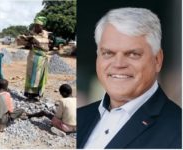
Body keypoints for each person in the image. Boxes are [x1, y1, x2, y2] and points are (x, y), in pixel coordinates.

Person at [77, 7, 182, 148]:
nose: (118, 64)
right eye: (108, 53)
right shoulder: (81, 117)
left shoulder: (176, 130)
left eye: (133, 54)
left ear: (157, 60)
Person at [24, 16, 50, 100]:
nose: (36, 27)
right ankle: (29, 93)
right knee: (30, 74)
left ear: (42, 26)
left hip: (41, 57)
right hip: (32, 56)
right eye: (35, 25)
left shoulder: (45, 33)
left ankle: (37, 94)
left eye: (38, 25)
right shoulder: (31, 33)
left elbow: (44, 43)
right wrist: (27, 42)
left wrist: (36, 41)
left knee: (38, 75)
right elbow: (27, 45)